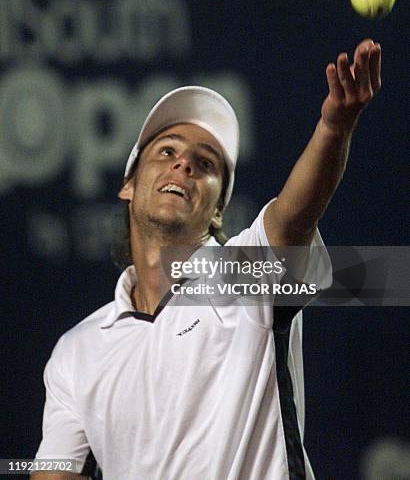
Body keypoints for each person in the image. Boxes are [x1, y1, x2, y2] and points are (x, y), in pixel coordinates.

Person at [32, 39, 381, 480]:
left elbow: (294, 218)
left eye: (205, 163)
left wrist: (334, 128)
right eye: (167, 152)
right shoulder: (76, 352)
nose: (184, 166)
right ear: (128, 185)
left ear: (217, 211)